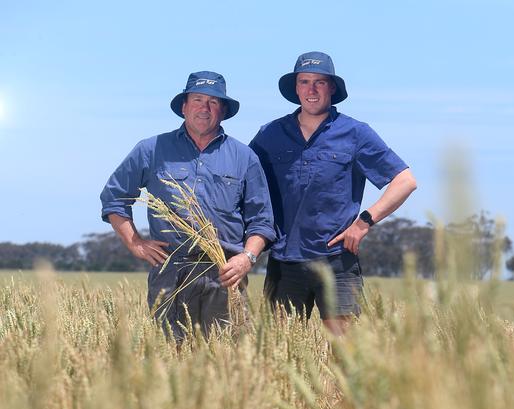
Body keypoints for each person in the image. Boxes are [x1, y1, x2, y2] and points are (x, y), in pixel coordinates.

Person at [249, 52, 417, 335]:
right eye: (304, 82)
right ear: (296, 88)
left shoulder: (355, 133)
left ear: (332, 89)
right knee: (280, 350)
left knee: (346, 353)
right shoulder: (270, 134)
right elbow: (246, 184)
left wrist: (364, 222)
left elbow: (405, 180)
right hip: (284, 258)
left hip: (337, 258)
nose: (311, 90)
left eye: (320, 82)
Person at [101, 71, 275, 340]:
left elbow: (262, 221)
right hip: (171, 273)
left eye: (213, 102)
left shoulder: (245, 157)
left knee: (228, 364)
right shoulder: (151, 149)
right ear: (184, 107)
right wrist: (135, 242)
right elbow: (114, 198)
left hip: (225, 274)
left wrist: (246, 258)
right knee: (173, 360)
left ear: (224, 110)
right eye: (197, 100)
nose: (204, 108)